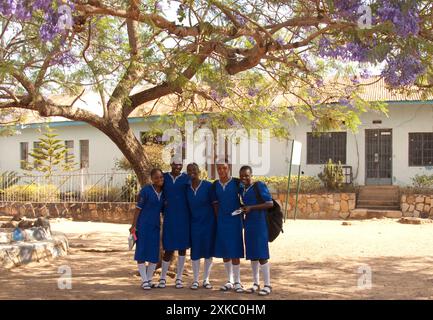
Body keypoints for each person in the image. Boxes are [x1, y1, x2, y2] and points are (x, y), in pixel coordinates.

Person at [239, 165, 274, 296]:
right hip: (249, 225)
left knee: (262, 255)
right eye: (242, 176)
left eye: (246, 176)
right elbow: (246, 205)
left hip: (260, 224)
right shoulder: (243, 189)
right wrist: (243, 208)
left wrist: (251, 208)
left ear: (251, 175)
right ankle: (256, 283)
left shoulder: (259, 185)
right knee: (253, 255)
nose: (244, 178)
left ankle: (268, 285)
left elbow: (269, 203)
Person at [157, 160, 191, 289]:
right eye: (175, 164)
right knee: (169, 249)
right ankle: (162, 278)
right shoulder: (164, 177)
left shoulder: (186, 178)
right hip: (170, 217)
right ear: (170, 164)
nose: (177, 167)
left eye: (180, 165)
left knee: (182, 249)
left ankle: (179, 278)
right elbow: (158, 191)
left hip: (183, 218)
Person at [130, 168, 164, 290]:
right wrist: (133, 226)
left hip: (155, 227)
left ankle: (149, 280)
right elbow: (138, 209)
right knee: (141, 253)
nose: (159, 179)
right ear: (152, 179)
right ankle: (144, 280)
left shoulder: (163, 193)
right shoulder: (145, 191)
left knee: (154, 255)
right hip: (143, 226)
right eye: (156, 177)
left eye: (161, 177)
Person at [212, 162, 245, 293]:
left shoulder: (237, 183)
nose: (221, 170)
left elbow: (246, 197)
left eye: (224, 168)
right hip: (222, 221)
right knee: (225, 251)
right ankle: (230, 280)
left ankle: (238, 281)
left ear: (229, 168)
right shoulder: (215, 185)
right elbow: (215, 204)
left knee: (235, 250)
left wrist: (242, 211)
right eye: (219, 168)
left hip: (235, 221)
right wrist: (218, 219)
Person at [186, 163, 216, 290]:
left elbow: (215, 204)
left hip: (209, 224)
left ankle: (206, 279)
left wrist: (218, 221)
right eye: (189, 170)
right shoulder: (186, 188)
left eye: (194, 170)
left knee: (208, 252)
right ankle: (195, 280)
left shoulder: (208, 186)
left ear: (199, 171)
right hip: (194, 224)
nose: (192, 172)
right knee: (195, 253)